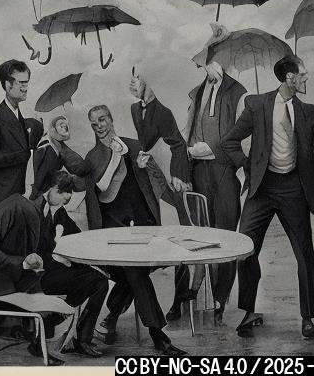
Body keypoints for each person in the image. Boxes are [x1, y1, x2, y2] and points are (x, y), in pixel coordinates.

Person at [220, 55, 314, 340]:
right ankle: (249, 311)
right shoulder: (257, 104)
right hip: (262, 189)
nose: (307, 78)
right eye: (303, 74)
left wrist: (312, 158)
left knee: (304, 254)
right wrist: (247, 166)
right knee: (245, 248)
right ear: (290, 77)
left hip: (293, 189)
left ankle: (308, 318)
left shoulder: (309, 110)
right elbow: (229, 140)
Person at [0, 173, 109, 365]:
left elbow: (75, 237)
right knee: (96, 281)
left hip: (44, 273)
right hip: (26, 278)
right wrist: (22, 262)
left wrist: (95, 259)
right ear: (47, 189)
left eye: (68, 193)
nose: (66, 197)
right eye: (61, 191)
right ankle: (47, 327)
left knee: (98, 279)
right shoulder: (15, 206)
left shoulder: (56, 210)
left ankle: (77, 338)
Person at [83, 105, 187, 356]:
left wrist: (143, 167)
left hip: (142, 224)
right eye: (94, 123)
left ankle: (110, 316)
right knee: (135, 274)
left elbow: (154, 181)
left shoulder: (133, 143)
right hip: (112, 229)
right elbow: (104, 194)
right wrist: (116, 158)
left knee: (135, 274)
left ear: (111, 118)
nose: (99, 126)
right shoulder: (93, 157)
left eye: (103, 119)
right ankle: (158, 335)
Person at [182, 60, 247, 325]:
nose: (205, 67)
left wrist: (213, 150)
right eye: (204, 63)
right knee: (199, 235)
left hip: (224, 170)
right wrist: (189, 153)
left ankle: (221, 299)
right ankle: (192, 295)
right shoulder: (197, 91)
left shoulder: (238, 92)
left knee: (226, 235)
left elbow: (242, 133)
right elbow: (188, 128)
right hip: (199, 170)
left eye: (211, 61)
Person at [128, 73, 195, 322]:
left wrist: (178, 175)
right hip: (152, 172)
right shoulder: (135, 109)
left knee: (179, 237)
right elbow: (144, 141)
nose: (133, 84)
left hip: (171, 175)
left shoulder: (164, 112)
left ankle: (179, 299)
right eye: (131, 80)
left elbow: (177, 144)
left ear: (150, 82)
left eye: (138, 79)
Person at [0, 60, 43, 227]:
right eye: (21, 83)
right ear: (7, 85)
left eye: (27, 82)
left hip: (14, 201)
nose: (25, 87)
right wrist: (18, 155)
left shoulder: (19, 118)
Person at [32, 116, 91, 204]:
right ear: (53, 128)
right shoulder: (47, 146)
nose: (64, 128)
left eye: (66, 126)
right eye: (61, 126)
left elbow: (79, 167)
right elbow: (41, 173)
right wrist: (35, 193)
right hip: (43, 189)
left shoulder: (59, 146)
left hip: (50, 186)